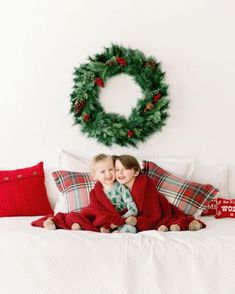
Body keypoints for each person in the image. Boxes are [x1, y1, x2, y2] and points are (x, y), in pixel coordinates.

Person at [34, 154, 138, 233]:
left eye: (111, 169)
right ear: (94, 176)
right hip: (102, 217)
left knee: (130, 229)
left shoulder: (120, 187)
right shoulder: (94, 192)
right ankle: (55, 220)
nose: (108, 174)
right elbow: (95, 209)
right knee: (77, 214)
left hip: (119, 217)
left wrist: (122, 219)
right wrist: (102, 220)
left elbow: (132, 207)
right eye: (103, 172)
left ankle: (110, 229)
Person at [113, 154, 205, 232]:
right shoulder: (118, 189)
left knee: (174, 219)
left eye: (125, 169)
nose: (120, 172)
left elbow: (152, 212)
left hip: (162, 209)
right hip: (134, 217)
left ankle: (185, 224)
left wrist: (137, 221)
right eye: (117, 170)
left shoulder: (144, 184)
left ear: (136, 172)